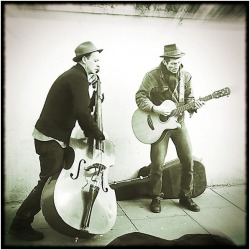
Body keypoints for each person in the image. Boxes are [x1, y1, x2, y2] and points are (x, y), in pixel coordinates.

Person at [9, 41, 106, 241]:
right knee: (47, 183)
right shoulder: (77, 77)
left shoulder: (77, 76)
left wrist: (95, 93)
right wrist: (96, 133)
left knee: (54, 180)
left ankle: (62, 214)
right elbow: (81, 112)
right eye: (95, 60)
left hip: (52, 136)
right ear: (84, 59)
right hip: (50, 138)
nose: (99, 64)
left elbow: (80, 106)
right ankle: (20, 223)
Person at [135, 44, 204, 213]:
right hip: (158, 127)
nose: (175, 65)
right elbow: (140, 96)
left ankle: (185, 196)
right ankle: (156, 197)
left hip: (179, 124)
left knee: (188, 160)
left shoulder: (186, 77)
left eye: (178, 62)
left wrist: (195, 105)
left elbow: (190, 98)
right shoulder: (152, 76)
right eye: (172, 62)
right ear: (165, 61)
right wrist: (155, 109)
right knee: (157, 164)